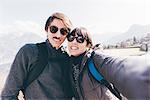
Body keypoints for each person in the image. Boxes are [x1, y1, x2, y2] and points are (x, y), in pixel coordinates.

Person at [1, 12, 73, 100]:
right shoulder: (29, 52)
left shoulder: (68, 58)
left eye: (63, 31)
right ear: (46, 29)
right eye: (54, 29)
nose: (58, 35)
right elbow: (8, 95)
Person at [67, 27, 150, 100]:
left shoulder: (95, 58)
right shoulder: (69, 64)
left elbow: (118, 66)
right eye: (71, 38)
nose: (74, 42)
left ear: (88, 45)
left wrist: (142, 72)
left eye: (80, 39)